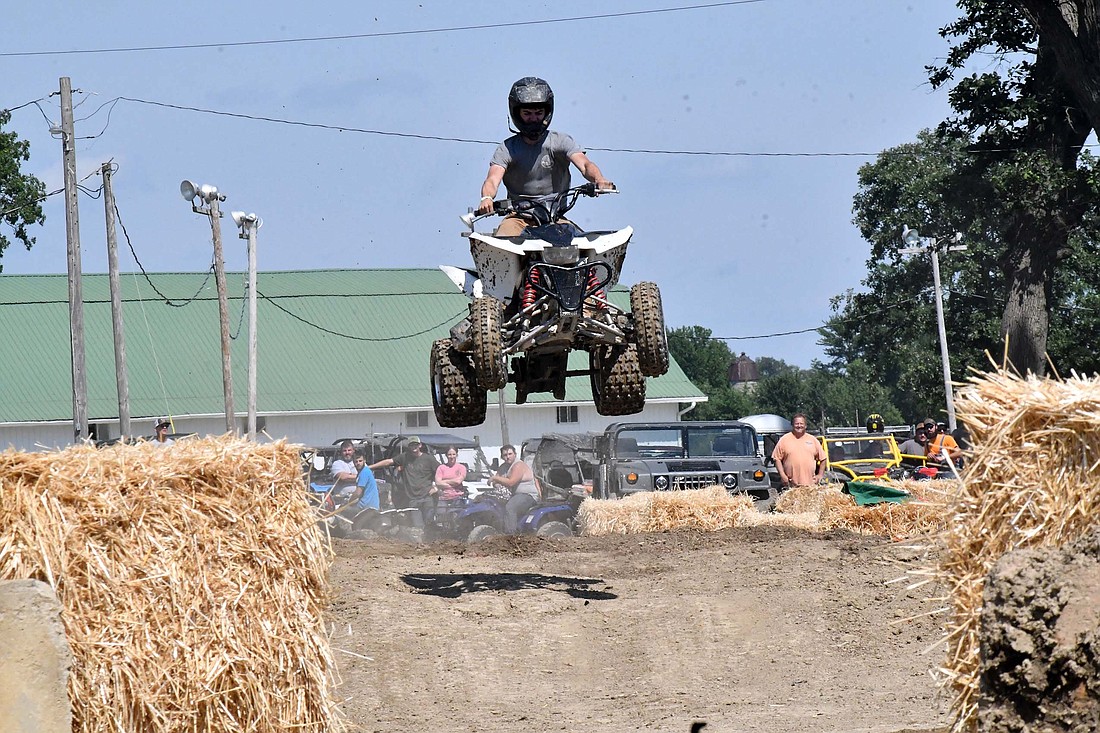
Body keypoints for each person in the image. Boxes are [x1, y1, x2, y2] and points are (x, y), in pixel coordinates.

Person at [476, 77, 614, 236]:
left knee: (582, 244)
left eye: (538, 113)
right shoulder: (507, 149)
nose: (533, 118)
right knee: (503, 242)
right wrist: (486, 198)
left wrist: (599, 179)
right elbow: (492, 179)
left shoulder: (560, 141)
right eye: (527, 113)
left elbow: (585, 165)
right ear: (517, 114)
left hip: (555, 219)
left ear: (547, 113)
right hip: (518, 218)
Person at [370, 436, 439, 523]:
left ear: (420, 445)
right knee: (417, 525)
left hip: (427, 497)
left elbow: (442, 472)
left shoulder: (429, 459)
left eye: (416, 444)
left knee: (430, 523)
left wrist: (436, 487)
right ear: (408, 446)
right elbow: (388, 462)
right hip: (412, 499)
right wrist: (370, 467)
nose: (414, 447)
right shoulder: (404, 457)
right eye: (412, 445)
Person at [490, 444, 539, 533]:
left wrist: (495, 479)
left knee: (510, 507)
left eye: (510, 454)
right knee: (493, 504)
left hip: (528, 495)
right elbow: (495, 482)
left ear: (515, 454)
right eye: (505, 455)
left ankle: (511, 536)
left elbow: (511, 482)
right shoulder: (503, 467)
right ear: (501, 456)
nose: (507, 457)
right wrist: (496, 482)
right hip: (513, 495)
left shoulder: (518, 465)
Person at [771, 413, 825, 488]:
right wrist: (783, 475)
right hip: (791, 486)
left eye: (801, 424)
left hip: (810, 486)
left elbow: (823, 459)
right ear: (792, 425)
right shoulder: (784, 440)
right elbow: (776, 458)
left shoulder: (813, 440)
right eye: (796, 424)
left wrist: (820, 475)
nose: (799, 426)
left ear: (805, 426)